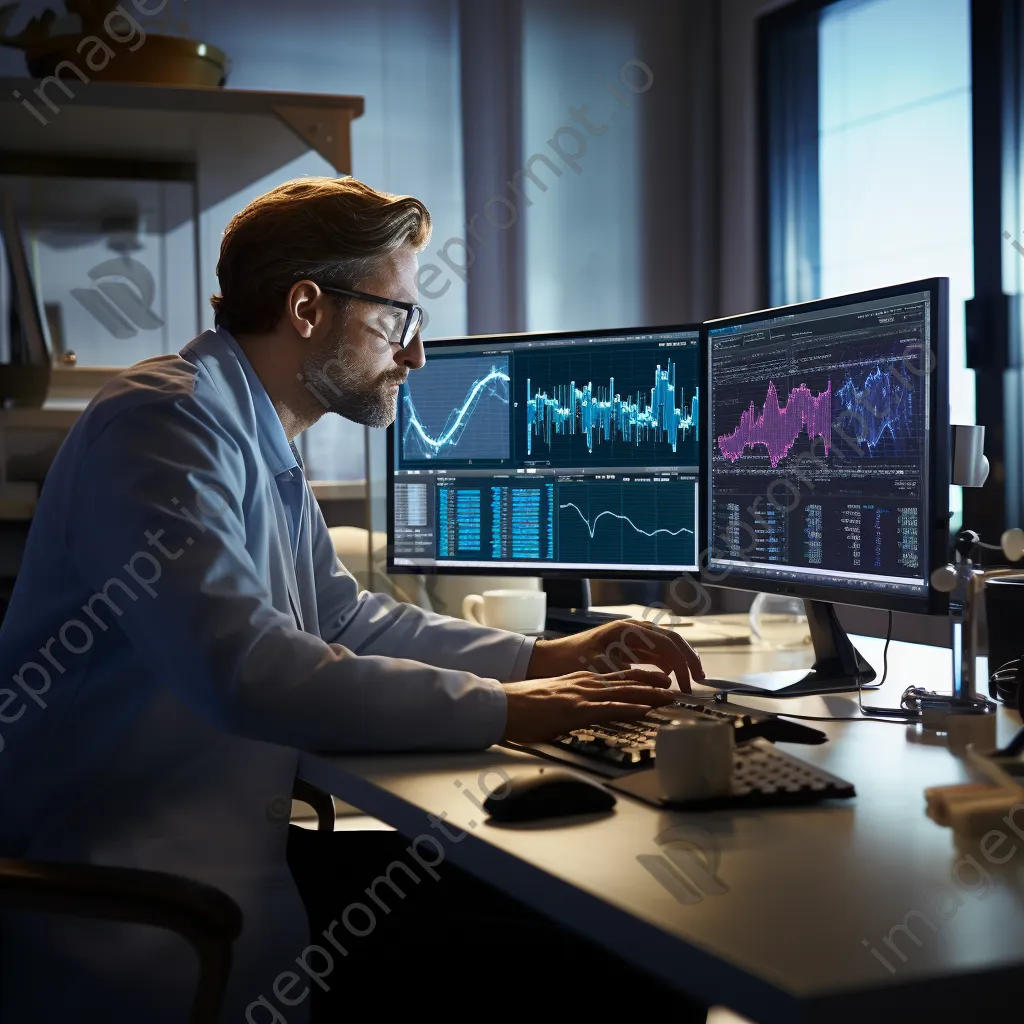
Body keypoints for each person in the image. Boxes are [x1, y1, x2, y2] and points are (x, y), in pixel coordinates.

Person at [0, 177, 707, 1022]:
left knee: (589, 923)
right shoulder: (165, 426)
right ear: (307, 309)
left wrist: (542, 659)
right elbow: (244, 668)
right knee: (613, 961)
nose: (413, 355)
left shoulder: (251, 428)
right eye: (398, 318)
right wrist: (511, 710)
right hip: (141, 917)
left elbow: (343, 619)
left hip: (225, 874)